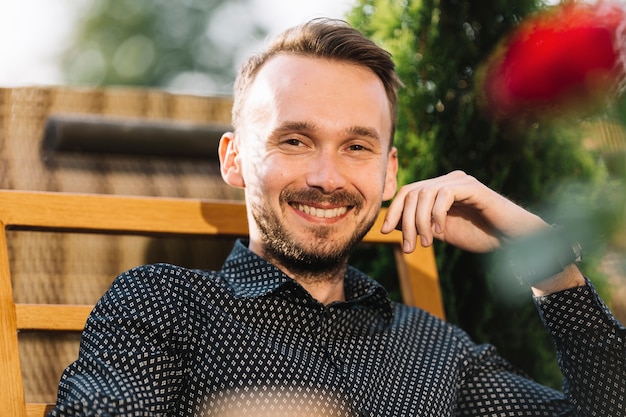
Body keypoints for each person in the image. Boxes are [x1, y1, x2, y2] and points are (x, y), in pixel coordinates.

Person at [48, 18, 625, 417]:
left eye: (356, 147)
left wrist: (548, 261)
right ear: (234, 160)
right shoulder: (162, 306)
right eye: (295, 141)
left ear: (389, 172)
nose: (327, 176)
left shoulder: (437, 349)